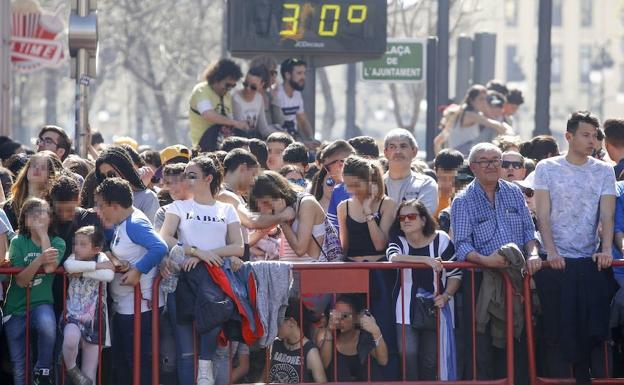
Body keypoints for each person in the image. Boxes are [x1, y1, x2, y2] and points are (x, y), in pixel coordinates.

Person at [533, 111, 615, 384]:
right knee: (557, 330)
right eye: (585, 135)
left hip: (589, 261)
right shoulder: (547, 168)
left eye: (595, 136)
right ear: (569, 136)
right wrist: (553, 252)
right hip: (554, 262)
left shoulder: (603, 170)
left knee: (591, 329)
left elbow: (607, 215)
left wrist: (605, 250)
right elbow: (542, 214)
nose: (592, 141)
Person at [451, 142, 538, 382]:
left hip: (518, 278)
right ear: (472, 167)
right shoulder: (462, 200)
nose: (491, 165)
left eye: (495, 160)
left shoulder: (514, 193)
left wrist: (532, 255)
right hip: (481, 281)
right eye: (484, 161)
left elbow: (530, 235)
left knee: (519, 339)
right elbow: (462, 245)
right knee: (483, 345)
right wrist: (486, 261)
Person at [159, 155, 245, 385]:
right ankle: (202, 367)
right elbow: (164, 237)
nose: (186, 179)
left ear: (208, 178)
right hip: (184, 280)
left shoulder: (226, 209)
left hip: (215, 278)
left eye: (192, 175)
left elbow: (239, 246)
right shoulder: (178, 206)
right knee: (186, 353)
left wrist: (208, 255)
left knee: (216, 313)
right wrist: (197, 252)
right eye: (185, 174)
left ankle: (205, 365)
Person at [94, 177, 167, 385]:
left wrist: (137, 271)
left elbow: (160, 247)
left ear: (115, 206)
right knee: (125, 363)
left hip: (140, 309)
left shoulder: (135, 223)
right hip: (127, 308)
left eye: (101, 206)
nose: (99, 211)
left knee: (139, 365)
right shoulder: (123, 222)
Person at [387, 199, 461, 380]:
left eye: (411, 216)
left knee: (431, 360)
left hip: (436, 307)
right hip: (404, 308)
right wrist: (425, 260)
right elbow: (394, 257)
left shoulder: (442, 239)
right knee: (408, 354)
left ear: (423, 219)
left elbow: (456, 274)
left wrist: (446, 295)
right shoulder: (398, 240)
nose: (405, 220)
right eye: (401, 217)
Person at [3, 197, 65, 385]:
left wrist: (43, 235)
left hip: (40, 303)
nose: (37, 216)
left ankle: (43, 370)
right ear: (24, 220)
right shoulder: (17, 242)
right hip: (15, 308)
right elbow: (21, 281)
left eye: (42, 212)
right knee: (20, 364)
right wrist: (39, 260)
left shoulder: (58, 242)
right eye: (32, 213)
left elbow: (49, 269)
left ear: (51, 218)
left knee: (48, 327)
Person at [62, 226, 114, 385]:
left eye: (83, 244)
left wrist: (83, 272)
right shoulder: (73, 258)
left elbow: (109, 275)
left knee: (89, 373)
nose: (77, 248)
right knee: (70, 338)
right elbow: (69, 267)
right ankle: (71, 368)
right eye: (75, 243)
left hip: (95, 320)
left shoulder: (102, 257)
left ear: (96, 249)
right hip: (74, 315)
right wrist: (96, 268)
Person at [249, 171, 331, 261]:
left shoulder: (306, 203)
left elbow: (300, 250)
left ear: (277, 193)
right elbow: (247, 243)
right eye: (258, 204)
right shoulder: (280, 210)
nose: (263, 209)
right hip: (289, 271)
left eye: (265, 202)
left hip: (314, 271)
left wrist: (282, 220)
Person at [337, 156, 396, 260]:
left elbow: (380, 245)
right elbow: (344, 248)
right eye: (347, 185)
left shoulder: (387, 204)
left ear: (370, 182)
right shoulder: (343, 207)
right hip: (353, 269)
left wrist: (368, 212)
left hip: (379, 269)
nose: (351, 190)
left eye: (356, 185)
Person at [321, 294, 388, 382]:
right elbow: (324, 365)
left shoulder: (364, 336)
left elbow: (383, 361)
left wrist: (376, 331)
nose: (339, 319)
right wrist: (329, 331)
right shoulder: (327, 337)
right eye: (336, 315)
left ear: (356, 318)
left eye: (344, 316)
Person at [189, 58, 248, 151]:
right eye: (227, 85)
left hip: (222, 148)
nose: (229, 89)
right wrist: (235, 123)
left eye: (233, 86)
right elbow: (208, 114)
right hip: (202, 149)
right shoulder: (201, 90)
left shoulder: (227, 96)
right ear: (216, 79)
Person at [90, 146, 160, 223]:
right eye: (103, 176)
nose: (108, 179)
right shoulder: (102, 199)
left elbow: (150, 232)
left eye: (111, 174)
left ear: (124, 169)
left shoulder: (148, 198)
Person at [434, 85, 510, 155]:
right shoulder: (471, 115)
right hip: (465, 153)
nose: (484, 102)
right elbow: (498, 127)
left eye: (485, 99)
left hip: (456, 154)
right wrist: (486, 109)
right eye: (481, 99)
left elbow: (437, 142)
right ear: (472, 100)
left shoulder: (458, 113)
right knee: (491, 130)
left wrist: (440, 161)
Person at [269, 299, 327, 383]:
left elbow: (322, 382)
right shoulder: (275, 344)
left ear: (292, 322)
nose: (275, 325)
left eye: (278, 320)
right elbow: (265, 378)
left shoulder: (310, 351)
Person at [383, 129, 438, 214]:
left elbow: (421, 218)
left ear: (414, 151)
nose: (398, 151)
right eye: (392, 147)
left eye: (403, 146)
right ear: (385, 153)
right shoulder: (376, 185)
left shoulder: (426, 184)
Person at [3, 151, 62, 229]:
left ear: (49, 175)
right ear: (27, 171)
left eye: (43, 167)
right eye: (34, 165)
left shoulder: (54, 205)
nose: (37, 169)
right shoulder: (10, 206)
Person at [274, 58, 318, 147]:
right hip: (280, 143)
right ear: (287, 75)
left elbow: (303, 121)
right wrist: (302, 143)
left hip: (295, 140)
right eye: (299, 73)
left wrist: (311, 139)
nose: (303, 77)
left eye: (304, 73)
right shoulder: (277, 94)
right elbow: (277, 126)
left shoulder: (297, 94)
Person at [232, 66, 275, 138]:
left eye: (253, 87)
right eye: (245, 84)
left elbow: (263, 129)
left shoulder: (259, 98)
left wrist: (281, 134)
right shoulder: (236, 97)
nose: (248, 89)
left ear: (262, 85)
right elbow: (240, 130)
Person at [323, 140, 356, 232]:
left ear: (341, 164)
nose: (327, 172)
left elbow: (333, 231)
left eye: (327, 167)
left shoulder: (338, 191)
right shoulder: (374, 185)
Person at [433, 149, 464, 217]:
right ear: (435, 171)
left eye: (452, 179)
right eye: (443, 178)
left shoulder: (466, 200)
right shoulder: (428, 198)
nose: (447, 184)